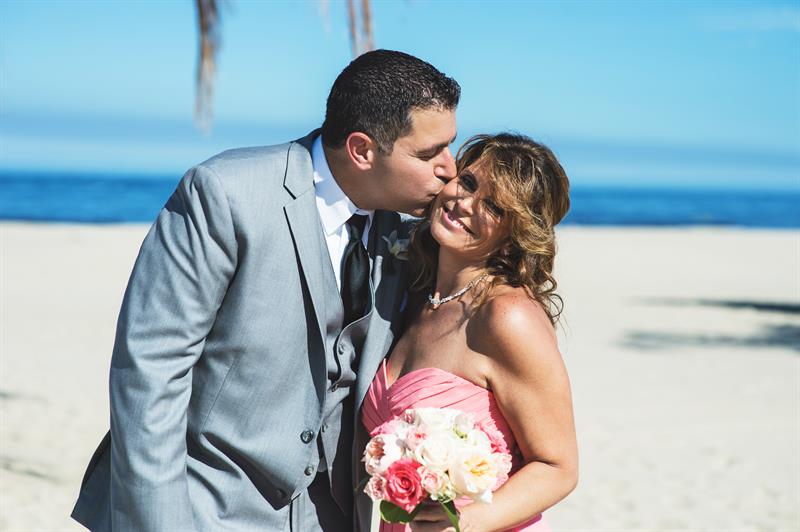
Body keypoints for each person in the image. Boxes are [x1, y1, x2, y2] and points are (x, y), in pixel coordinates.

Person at [71, 49, 459, 531]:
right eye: (429, 154)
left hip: (336, 516)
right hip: (207, 507)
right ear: (362, 150)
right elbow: (150, 370)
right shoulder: (225, 193)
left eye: (450, 146)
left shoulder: (407, 228)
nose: (450, 168)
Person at [360, 133, 578, 531]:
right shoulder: (412, 296)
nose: (465, 203)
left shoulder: (506, 316)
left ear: (515, 235)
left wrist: (464, 521)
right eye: (469, 182)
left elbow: (558, 466)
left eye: (493, 206)